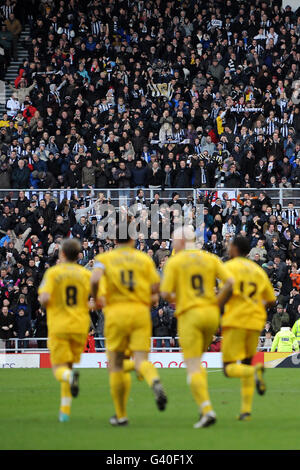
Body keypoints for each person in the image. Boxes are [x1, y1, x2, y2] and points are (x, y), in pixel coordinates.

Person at [90, 224, 167, 427]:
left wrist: (97, 297)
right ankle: (154, 381)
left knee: (115, 365)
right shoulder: (143, 259)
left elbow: (95, 278)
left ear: (114, 241)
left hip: (116, 314)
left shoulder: (104, 260)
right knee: (141, 359)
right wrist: (152, 298)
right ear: (133, 239)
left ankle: (121, 415)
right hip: (140, 313)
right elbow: (156, 286)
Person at [160, 225, 233, 428]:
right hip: (211, 314)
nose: (173, 244)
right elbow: (231, 282)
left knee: (192, 366)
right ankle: (204, 407)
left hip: (190, 315)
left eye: (174, 241)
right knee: (198, 362)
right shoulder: (210, 258)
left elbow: (165, 294)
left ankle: (207, 410)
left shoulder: (176, 262)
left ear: (182, 241)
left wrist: (181, 297)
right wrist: (217, 301)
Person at [220, 236, 276, 422]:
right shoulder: (258, 270)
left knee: (228, 369)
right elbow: (271, 300)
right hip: (255, 322)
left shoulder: (228, 268)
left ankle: (255, 372)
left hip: (235, 321)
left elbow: (225, 294)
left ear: (235, 249)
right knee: (246, 362)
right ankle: (246, 411)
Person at [38, 239, 91, 422]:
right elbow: (93, 298)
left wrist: (49, 302)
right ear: (78, 255)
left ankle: (70, 377)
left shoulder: (53, 273)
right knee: (68, 365)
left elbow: (44, 298)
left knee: (60, 370)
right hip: (80, 326)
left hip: (60, 325)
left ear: (61, 253)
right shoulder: (85, 274)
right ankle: (65, 412)